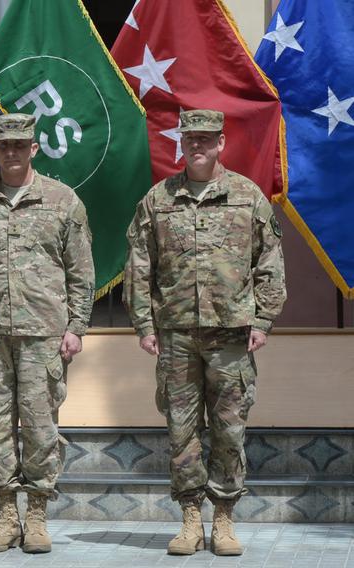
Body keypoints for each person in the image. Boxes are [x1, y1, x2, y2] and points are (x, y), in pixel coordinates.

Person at [123, 109, 287, 556]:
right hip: (175, 335)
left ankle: (225, 519)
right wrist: (143, 324)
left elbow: (269, 261)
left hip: (231, 333)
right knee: (181, 430)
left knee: (229, 429)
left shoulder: (246, 196)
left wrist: (263, 319)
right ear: (182, 143)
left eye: (206, 138)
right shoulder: (158, 200)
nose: (197, 145)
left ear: (221, 143)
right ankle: (191, 518)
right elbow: (140, 266)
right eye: (190, 138)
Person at [0, 114, 94, 553]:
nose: (11, 152)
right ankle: (6, 515)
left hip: (42, 333)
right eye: (3, 146)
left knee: (39, 426)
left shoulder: (63, 201)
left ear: (34, 148)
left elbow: (81, 270)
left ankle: (37, 517)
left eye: (20, 145)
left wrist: (77, 327)